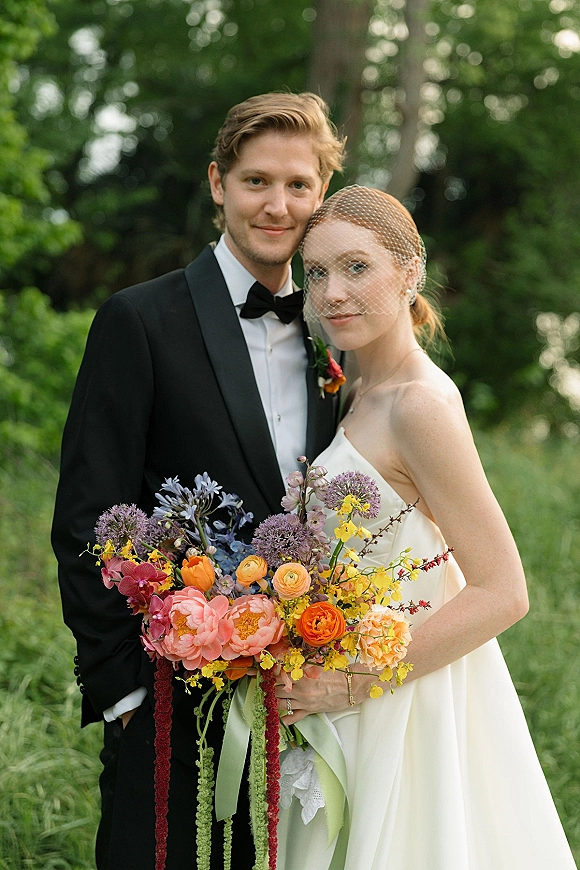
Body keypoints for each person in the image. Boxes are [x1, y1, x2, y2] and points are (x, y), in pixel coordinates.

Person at [51, 92, 346, 870]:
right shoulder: (138, 321)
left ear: (321, 197)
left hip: (310, 717)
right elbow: (88, 516)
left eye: (297, 186)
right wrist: (124, 699)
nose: (276, 205)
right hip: (170, 710)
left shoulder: (338, 331)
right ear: (218, 182)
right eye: (256, 182)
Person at [275, 185, 577, 870]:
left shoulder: (420, 404)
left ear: (409, 270)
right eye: (316, 272)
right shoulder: (353, 394)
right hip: (347, 704)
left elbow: (503, 590)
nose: (332, 293)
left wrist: (355, 681)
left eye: (357, 267)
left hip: (404, 704)